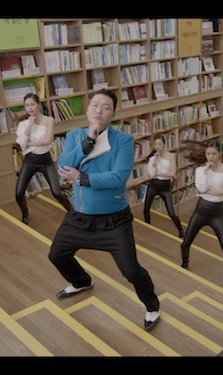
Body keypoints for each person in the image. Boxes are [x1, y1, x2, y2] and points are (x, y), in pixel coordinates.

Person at [50, 88, 161, 331]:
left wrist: (81, 177)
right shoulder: (75, 135)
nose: (99, 110)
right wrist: (88, 141)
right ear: (88, 110)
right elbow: (63, 164)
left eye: (106, 107)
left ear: (113, 115)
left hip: (114, 220)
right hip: (79, 216)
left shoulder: (123, 140)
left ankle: (152, 306)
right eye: (94, 105)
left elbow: (118, 177)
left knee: (131, 270)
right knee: (56, 255)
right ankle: (81, 281)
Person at [179, 139, 223, 282]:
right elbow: (201, 188)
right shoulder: (200, 170)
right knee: (185, 243)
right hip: (200, 211)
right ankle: (185, 261)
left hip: (216, 214)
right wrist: (205, 172)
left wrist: (205, 191)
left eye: (214, 154)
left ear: (219, 154)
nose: (210, 157)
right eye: (208, 154)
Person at [14, 93, 73, 224]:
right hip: (30, 161)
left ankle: (73, 213)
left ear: (38, 105)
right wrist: (30, 125)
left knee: (57, 192)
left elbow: (48, 140)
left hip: (46, 161)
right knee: (18, 193)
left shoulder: (49, 120)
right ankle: (25, 213)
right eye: (27, 105)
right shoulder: (23, 124)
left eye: (32, 104)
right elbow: (21, 143)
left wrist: (29, 143)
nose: (30, 108)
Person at [144, 135, 185, 238]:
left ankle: (181, 230)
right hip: (153, 186)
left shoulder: (171, 156)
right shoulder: (152, 158)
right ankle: (148, 227)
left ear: (164, 145)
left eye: (160, 144)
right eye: (156, 144)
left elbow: (172, 173)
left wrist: (159, 172)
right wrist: (156, 160)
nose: (157, 146)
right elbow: (152, 174)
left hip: (165, 188)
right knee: (146, 209)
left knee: (171, 213)